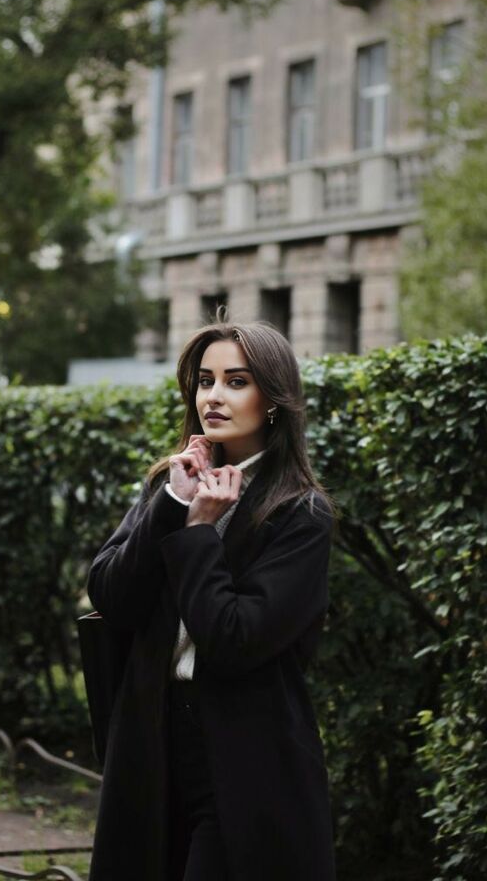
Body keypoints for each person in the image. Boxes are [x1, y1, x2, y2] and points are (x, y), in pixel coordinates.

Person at [86, 312, 337, 881]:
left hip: (246, 755)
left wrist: (199, 533)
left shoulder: (300, 513)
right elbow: (112, 597)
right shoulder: (172, 484)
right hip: (152, 742)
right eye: (205, 381)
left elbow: (234, 638)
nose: (213, 397)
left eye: (236, 381)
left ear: (272, 400)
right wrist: (173, 507)